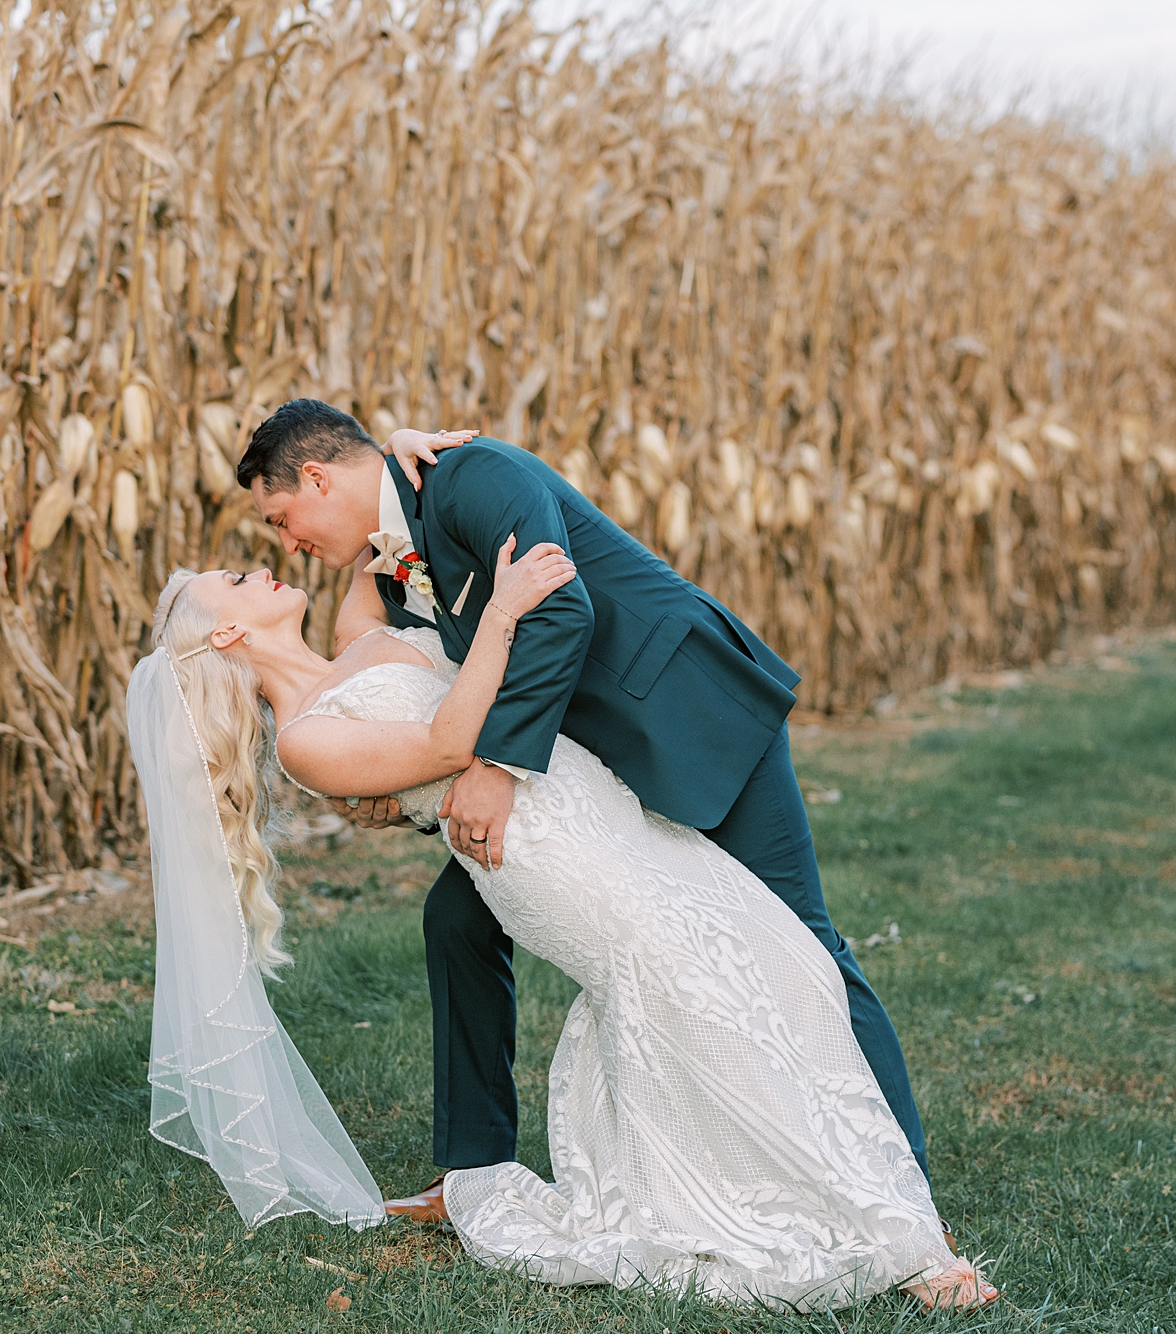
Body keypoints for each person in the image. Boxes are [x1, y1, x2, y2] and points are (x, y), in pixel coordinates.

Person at [131, 536, 997, 1310]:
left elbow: (375, 546)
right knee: (695, 993)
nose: (267, 562)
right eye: (240, 578)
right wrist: (503, 613)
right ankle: (890, 1240)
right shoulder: (306, 743)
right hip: (544, 856)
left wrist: (404, 456)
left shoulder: (362, 639)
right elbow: (445, 743)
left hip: (603, 810)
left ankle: (869, 1195)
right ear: (229, 637)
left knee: (780, 965)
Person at [234, 401, 932, 1214]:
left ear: (318, 478)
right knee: (457, 921)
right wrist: (391, 793)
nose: (287, 544)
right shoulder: (396, 542)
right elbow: (422, 682)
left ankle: (902, 1179)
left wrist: (495, 767)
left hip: (686, 719)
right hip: (586, 771)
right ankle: (474, 1174)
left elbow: (562, 608)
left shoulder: (471, 476)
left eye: (282, 518)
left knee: (803, 938)